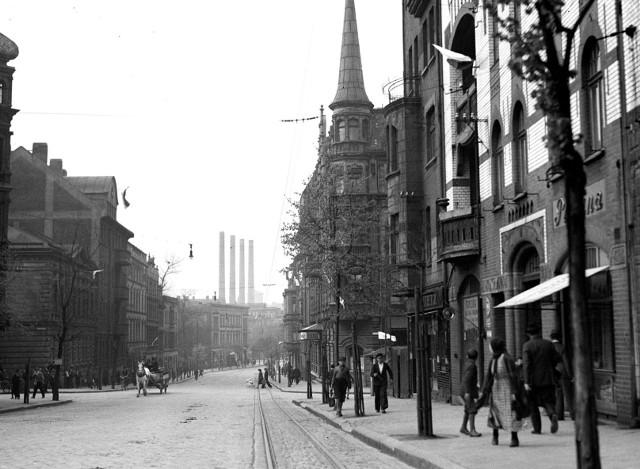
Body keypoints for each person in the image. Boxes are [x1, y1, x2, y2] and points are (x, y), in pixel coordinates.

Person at [479, 337, 522, 447]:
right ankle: (495, 435)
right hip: (496, 389)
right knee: (495, 413)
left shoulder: (506, 358)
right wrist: (485, 391)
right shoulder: (493, 359)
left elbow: (513, 376)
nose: (489, 348)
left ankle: (514, 437)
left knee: (511, 412)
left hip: (507, 389)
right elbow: (489, 376)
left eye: (490, 346)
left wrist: (514, 391)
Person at [523, 323, 560, 434]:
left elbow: (526, 365)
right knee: (548, 401)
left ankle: (537, 428)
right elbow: (556, 358)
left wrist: (526, 381)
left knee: (533, 404)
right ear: (539, 332)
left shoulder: (527, 346)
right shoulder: (548, 344)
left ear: (528, 334)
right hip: (548, 378)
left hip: (533, 380)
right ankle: (552, 414)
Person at [550, 329, 574, 420]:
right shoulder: (562, 347)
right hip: (562, 372)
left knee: (558, 394)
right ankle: (573, 414)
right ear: (560, 337)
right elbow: (566, 362)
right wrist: (570, 374)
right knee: (568, 395)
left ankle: (559, 414)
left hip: (553, 372)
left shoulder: (549, 347)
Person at [459, 349, 481, 437]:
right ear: (476, 357)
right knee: (472, 409)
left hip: (465, 390)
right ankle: (472, 430)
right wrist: (467, 392)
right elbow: (468, 379)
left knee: (468, 409)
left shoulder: (466, 363)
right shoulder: (472, 365)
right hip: (467, 391)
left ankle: (463, 427)